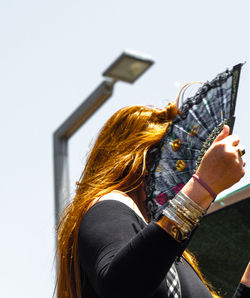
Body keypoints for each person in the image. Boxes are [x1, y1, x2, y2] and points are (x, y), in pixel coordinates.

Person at [56, 103, 249, 298]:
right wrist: (202, 186)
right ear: (143, 161)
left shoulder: (170, 257)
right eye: (174, 159)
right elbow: (121, 289)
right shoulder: (110, 204)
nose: (184, 175)